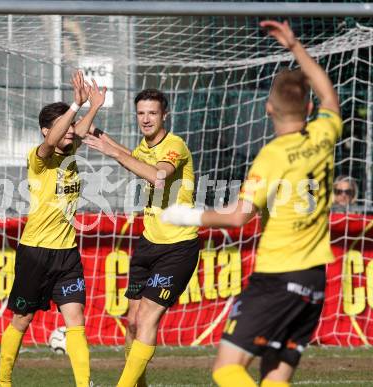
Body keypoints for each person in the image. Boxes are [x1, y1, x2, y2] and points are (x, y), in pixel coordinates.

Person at [162, 20, 341, 387]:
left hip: (278, 276)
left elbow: (239, 217)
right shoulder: (324, 135)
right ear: (308, 107)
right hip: (314, 278)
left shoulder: (271, 157)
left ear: (268, 109)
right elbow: (331, 97)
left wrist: (187, 214)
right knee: (275, 378)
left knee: (227, 369)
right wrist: (295, 46)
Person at [83, 89, 200, 387]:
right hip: (148, 242)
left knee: (147, 317)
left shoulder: (175, 146)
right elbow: (106, 143)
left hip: (178, 247)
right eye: (141, 113)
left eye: (152, 113)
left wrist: (115, 153)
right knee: (133, 322)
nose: (146, 119)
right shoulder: (144, 147)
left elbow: (158, 176)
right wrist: (91, 108)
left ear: (165, 115)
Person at [0, 71, 106, 387]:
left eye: (71, 126)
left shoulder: (69, 152)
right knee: (23, 319)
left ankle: (84, 385)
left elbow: (77, 133)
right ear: (47, 130)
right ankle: (3, 382)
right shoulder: (39, 157)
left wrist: (93, 107)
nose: (71, 131)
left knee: (76, 323)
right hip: (36, 253)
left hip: (67, 257)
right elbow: (51, 141)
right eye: (64, 126)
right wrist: (76, 103)